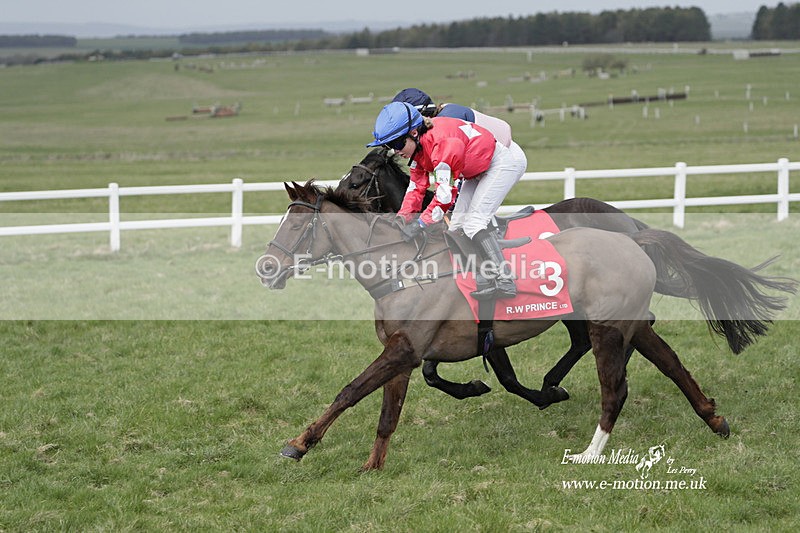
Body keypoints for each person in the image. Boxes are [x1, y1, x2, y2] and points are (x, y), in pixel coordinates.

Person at [366, 101, 520, 300]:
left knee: (473, 224)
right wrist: (402, 219)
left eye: (397, 144)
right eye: (390, 147)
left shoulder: (442, 144)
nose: (396, 151)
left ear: (414, 133)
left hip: (499, 165)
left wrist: (421, 223)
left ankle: (505, 280)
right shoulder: (419, 149)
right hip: (476, 171)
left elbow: (444, 196)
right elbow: (416, 188)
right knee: (456, 227)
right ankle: (482, 277)